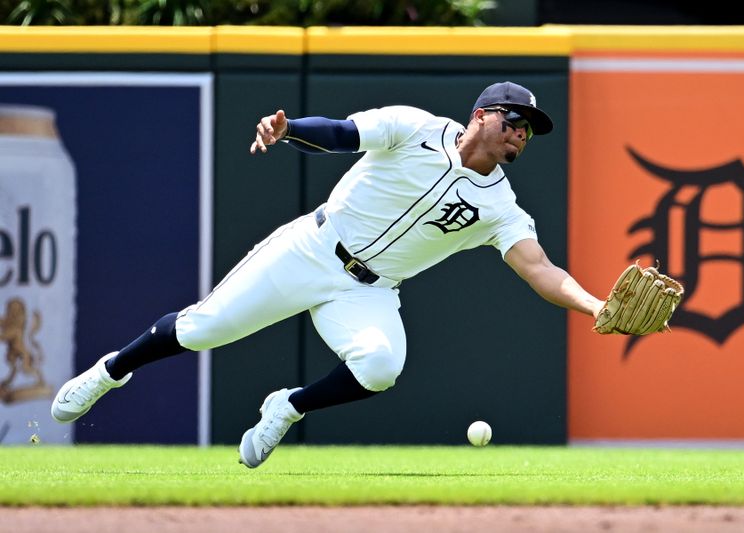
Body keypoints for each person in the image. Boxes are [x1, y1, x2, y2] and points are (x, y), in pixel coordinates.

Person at [51, 81, 604, 468]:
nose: (522, 133)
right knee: (202, 329)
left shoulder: (502, 206)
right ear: (482, 114)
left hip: (370, 290)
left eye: (530, 129)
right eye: (515, 120)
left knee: (383, 365)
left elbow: (540, 269)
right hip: (312, 249)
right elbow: (341, 133)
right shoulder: (416, 128)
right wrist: (289, 130)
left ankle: (286, 408)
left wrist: (597, 308)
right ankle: (110, 372)